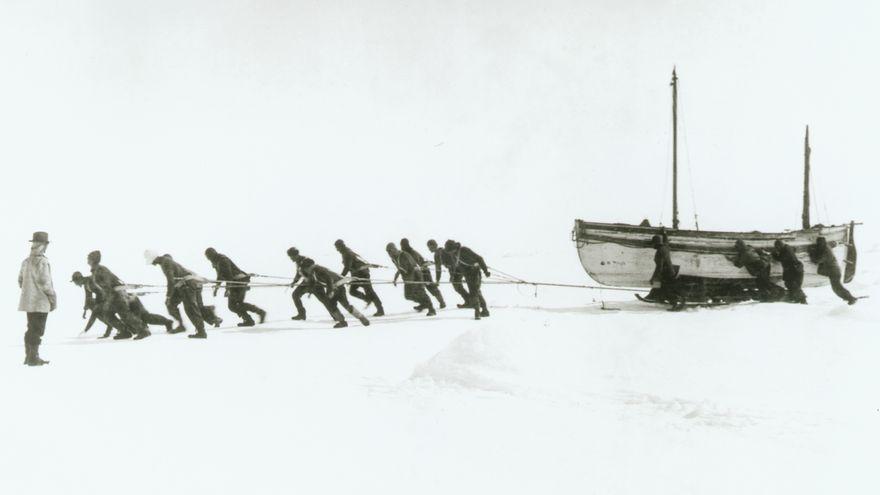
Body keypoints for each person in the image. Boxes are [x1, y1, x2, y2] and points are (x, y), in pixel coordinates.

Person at [146, 251, 222, 339]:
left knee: (191, 308)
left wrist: (168, 296)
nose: (152, 264)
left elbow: (170, 281)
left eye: (152, 262)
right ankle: (210, 317)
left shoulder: (165, 263)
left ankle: (201, 332)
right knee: (174, 304)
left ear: (154, 259)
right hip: (191, 283)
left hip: (187, 285)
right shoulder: (167, 260)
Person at [88, 250, 150, 340]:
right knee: (108, 314)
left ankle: (143, 331)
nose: (87, 260)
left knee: (124, 315)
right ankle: (125, 332)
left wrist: (110, 298)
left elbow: (111, 285)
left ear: (93, 260)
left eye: (88, 258)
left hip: (116, 296)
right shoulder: (96, 270)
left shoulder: (100, 270)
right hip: (112, 296)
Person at [18, 231, 56, 366]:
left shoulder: (26, 261)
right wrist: (52, 298)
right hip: (40, 302)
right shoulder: (42, 261)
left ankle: (28, 356)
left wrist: (29, 291)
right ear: (43, 245)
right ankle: (34, 358)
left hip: (28, 302)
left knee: (30, 328)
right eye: (46, 244)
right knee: (38, 330)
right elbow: (46, 283)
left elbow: (20, 280)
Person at [205, 248, 266, 327]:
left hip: (239, 281)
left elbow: (228, 276)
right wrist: (217, 287)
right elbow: (220, 275)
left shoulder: (222, 260)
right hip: (235, 282)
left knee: (235, 305)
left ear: (212, 255)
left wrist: (228, 289)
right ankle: (250, 318)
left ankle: (257, 314)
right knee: (234, 305)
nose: (209, 259)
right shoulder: (216, 261)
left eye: (209, 257)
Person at [300, 258, 370, 328]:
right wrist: (310, 291)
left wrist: (330, 291)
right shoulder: (315, 270)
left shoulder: (318, 270)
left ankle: (342, 322)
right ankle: (362, 318)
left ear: (309, 266)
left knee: (331, 306)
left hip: (336, 287)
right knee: (344, 304)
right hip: (339, 286)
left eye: (305, 268)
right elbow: (313, 281)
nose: (305, 270)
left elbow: (328, 279)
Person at [334, 239, 384, 317]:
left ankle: (380, 310)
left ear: (341, 246)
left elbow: (347, 267)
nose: (337, 250)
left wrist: (340, 278)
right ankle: (367, 299)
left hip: (363, 274)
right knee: (352, 291)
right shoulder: (345, 253)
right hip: (356, 275)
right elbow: (351, 267)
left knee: (370, 291)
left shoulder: (347, 253)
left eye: (337, 247)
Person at [444, 240, 491, 320]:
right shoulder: (453, 254)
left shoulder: (464, 250)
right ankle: (485, 311)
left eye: (451, 250)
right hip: (467, 274)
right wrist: (453, 276)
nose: (451, 252)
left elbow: (479, 258)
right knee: (476, 292)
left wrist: (485, 271)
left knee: (474, 292)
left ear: (455, 247)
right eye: (449, 251)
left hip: (475, 272)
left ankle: (477, 312)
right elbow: (456, 266)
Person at [386, 242, 436, 316]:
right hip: (407, 279)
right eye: (388, 252)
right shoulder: (394, 259)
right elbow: (400, 268)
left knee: (421, 293)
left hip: (416, 276)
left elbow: (413, 268)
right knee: (408, 296)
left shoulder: (404, 255)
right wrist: (395, 278)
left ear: (394, 249)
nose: (389, 253)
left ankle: (432, 309)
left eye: (390, 251)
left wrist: (411, 279)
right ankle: (423, 304)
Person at [808, 236, 858, 305]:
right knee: (836, 287)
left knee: (837, 287)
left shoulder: (825, 251)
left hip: (834, 272)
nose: (818, 245)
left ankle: (850, 298)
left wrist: (811, 252)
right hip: (833, 271)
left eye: (819, 244)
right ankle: (849, 297)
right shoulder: (826, 247)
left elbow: (816, 261)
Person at [287, 247, 330, 321]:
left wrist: (310, 287)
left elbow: (312, 274)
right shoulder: (298, 262)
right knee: (295, 295)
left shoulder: (307, 261)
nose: (291, 259)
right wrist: (294, 282)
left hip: (315, 283)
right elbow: (299, 273)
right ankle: (301, 314)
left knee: (324, 300)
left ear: (296, 255)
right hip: (306, 282)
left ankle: (335, 315)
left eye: (291, 257)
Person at [401, 238, 445, 309]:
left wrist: (422, 267)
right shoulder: (404, 254)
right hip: (415, 274)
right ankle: (424, 304)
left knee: (431, 287)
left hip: (424, 271)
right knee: (418, 290)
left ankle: (441, 302)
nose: (402, 247)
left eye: (403, 245)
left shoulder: (412, 252)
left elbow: (421, 262)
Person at [427, 239, 470, 307]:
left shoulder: (443, 252)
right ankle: (469, 301)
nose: (429, 249)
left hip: (457, 269)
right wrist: (437, 280)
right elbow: (438, 269)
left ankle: (470, 301)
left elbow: (453, 263)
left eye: (430, 247)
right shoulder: (437, 254)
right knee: (457, 286)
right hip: (454, 269)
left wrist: (452, 275)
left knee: (457, 286)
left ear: (434, 246)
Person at [649, 234, 684, 310]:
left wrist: (653, 278)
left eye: (653, 243)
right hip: (671, 271)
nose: (652, 245)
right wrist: (664, 233)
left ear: (656, 244)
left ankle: (674, 304)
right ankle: (657, 297)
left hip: (666, 273)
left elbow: (659, 267)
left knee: (666, 288)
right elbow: (666, 242)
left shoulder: (659, 252)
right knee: (661, 286)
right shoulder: (665, 247)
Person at [771, 239, 807, 304]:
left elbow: (780, 258)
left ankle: (802, 299)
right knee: (792, 285)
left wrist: (774, 254)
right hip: (796, 269)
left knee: (792, 285)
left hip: (795, 270)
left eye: (777, 247)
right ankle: (797, 299)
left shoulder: (786, 251)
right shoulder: (787, 248)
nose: (777, 249)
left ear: (780, 245)